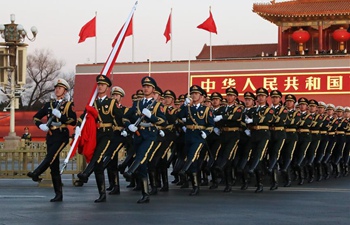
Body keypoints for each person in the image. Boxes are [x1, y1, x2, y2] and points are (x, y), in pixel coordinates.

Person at [28, 78, 76, 202]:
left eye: (60, 88)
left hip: (61, 135)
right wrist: (41, 126)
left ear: (65, 91)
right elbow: (36, 117)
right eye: (56, 88)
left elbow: (73, 120)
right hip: (51, 135)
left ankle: (37, 172)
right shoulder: (49, 104)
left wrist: (61, 116)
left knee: (51, 156)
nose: (57, 90)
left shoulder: (68, 105)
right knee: (54, 165)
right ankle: (58, 194)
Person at [122, 76, 166, 203]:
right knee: (142, 166)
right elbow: (126, 117)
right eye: (144, 86)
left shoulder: (157, 105)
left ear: (153, 89)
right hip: (138, 135)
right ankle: (145, 194)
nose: (146, 89)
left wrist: (151, 116)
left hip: (150, 135)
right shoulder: (137, 104)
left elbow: (163, 120)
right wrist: (128, 125)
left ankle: (130, 171)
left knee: (141, 156)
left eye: (148, 87)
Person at [76, 75, 119, 203]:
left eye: (102, 85)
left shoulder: (111, 103)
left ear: (107, 87)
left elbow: (121, 117)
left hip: (107, 135)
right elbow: (83, 117)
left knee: (97, 155)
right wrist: (78, 127)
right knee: (99, 165)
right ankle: (102, 193)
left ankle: (86, 173)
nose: (100, 87)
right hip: (96, 135)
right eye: (98, 85)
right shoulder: (92, 103)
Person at [177, 85, 214, 196]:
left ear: (202, 97)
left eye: (196, 94)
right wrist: (184, 105)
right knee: (193, 161)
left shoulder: (206, 110)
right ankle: (195, 186)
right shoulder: (188, 108)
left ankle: (183, 170)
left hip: (199, 137)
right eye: (193, 93)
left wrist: (206, 133)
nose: (194, 95)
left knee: (193, 155)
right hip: (189, 136)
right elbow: (179, 115)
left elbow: (211, 125)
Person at [103, 86, 128, 195]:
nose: (114, 97)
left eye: (117, 95)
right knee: (110, 161)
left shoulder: (124, 109)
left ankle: (116, 185)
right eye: (113, 95)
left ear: (121, 97)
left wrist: (126, 129)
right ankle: (112, 184)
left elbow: (127, 121)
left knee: (111, 156)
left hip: (120, 135)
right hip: (110, 135)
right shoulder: (107, 109)